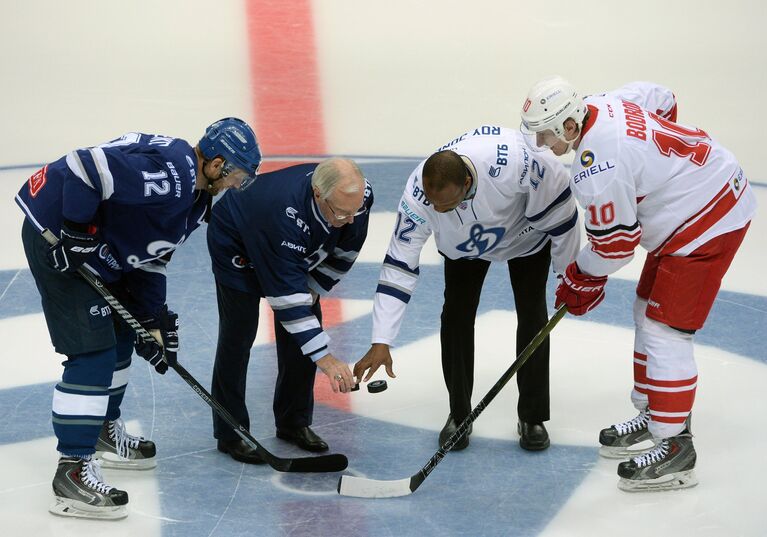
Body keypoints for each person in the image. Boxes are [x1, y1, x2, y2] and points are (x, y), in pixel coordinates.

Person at [15, 117, 261, 519]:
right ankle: (71, 473)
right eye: (239, 177)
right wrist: (76, 231)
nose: (239, 186)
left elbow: (152, 257)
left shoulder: (196, 199)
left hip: (94, 247)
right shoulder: (173, 175)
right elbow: (85, 166)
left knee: (124, 332)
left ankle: (101, 432)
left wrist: (150, 320)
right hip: (56, 236)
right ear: (217, 164)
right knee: (92, 353)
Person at [520, 77, 757, 491]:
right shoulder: (603, 103)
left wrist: (581, 277)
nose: (542, 143)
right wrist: (659, 173)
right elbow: (663, 97)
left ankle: (675, 446)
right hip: (699, 201)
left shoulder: (596, 167)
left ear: (570, 127)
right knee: (645, 310)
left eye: (546, 134)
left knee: (666, 331)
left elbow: (616, 247)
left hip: (707, 223)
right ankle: (659, 411)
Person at [353, 126, 581, 451]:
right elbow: (398, 265)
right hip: (464, 247)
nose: (438, 211)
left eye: (446, 205)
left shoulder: (516, 161)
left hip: (526, 236)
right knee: (456, 318)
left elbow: (564, 215)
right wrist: (381, 339)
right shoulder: (419, 197)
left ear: (468, 184)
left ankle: (532, 416)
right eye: (435, 206)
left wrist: (567, 277)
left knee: (533, 315)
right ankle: (459, 414)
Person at [207, 158, 372, 463]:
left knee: (305, 327)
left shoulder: (353, 199)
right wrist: (326, 359)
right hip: (237, 241)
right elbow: (285, 298)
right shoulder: (282, 213)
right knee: (238, 335)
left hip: (289, 245)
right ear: (319, 195)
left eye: (356, 210)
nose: (351, 218)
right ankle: (231, 432)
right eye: (342, 212)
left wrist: (314, 288)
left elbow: (347, 248)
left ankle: (293, 422)